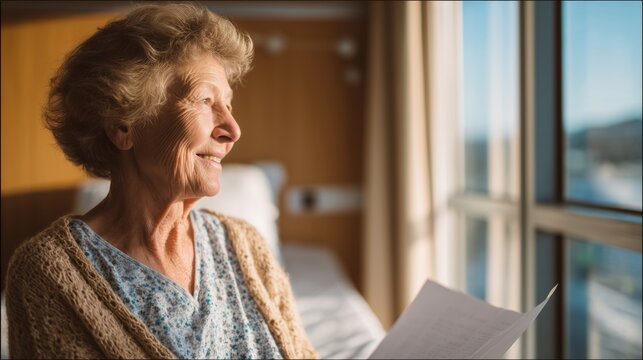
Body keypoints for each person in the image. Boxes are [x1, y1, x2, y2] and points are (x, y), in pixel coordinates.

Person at [5, 3, 316, 359]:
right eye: (204, 101)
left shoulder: (247, 247)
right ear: (123, 125)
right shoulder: (49, 275)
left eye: (228, 105)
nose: (233, 130)